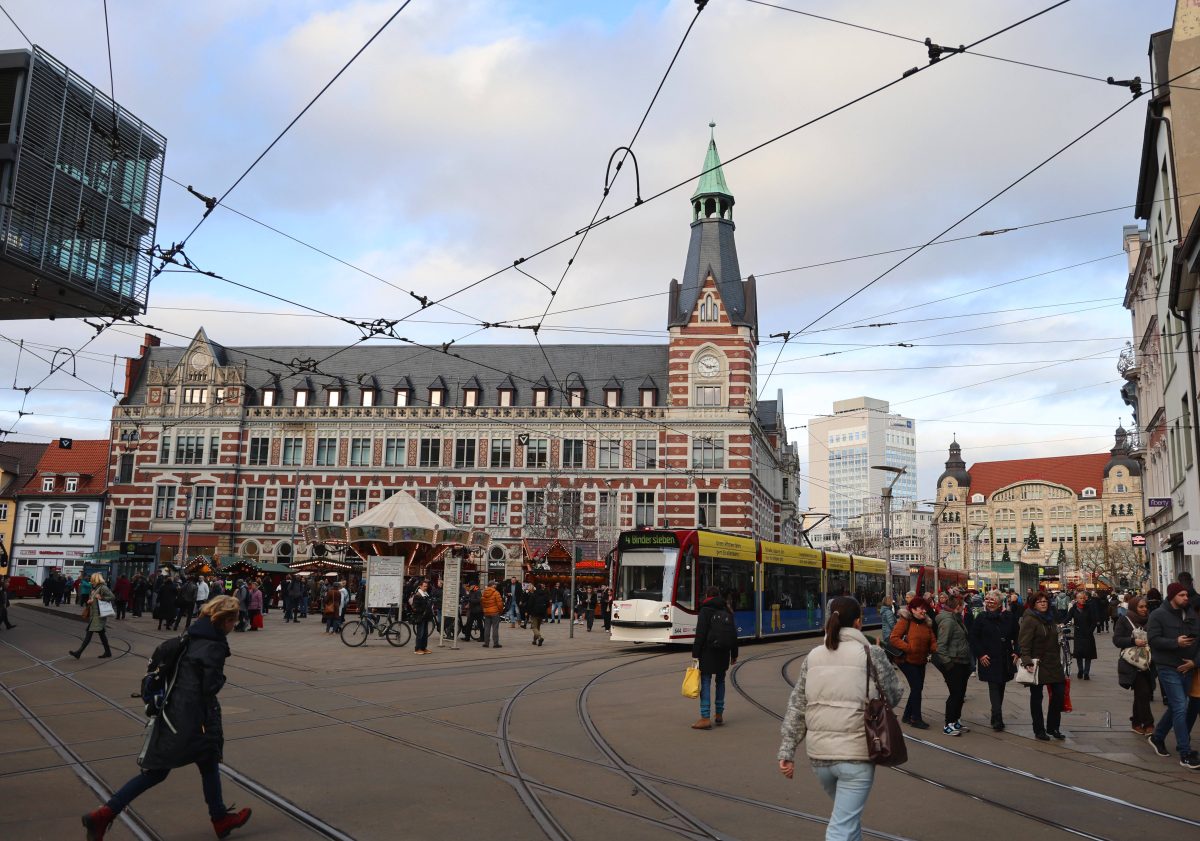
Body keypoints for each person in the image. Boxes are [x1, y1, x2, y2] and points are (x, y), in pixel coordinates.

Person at [81, 596, 252, 840]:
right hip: (193, 718)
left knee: (205, 763)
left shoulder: (191, 635)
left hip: (174, 712)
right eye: (234, 621)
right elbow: (209, 686)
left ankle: (220, 818)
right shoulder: (214, 646)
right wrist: (221, 679)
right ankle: (104, 814)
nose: (234, 625)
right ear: (224, 621)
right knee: (161, 771)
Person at [778, 596, 903, 841]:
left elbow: (797, 706)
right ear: (858, 622)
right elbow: (894, 695)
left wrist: (787, 751)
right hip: (856, 755)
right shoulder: (872, 653)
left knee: (847, 819)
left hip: (820, 757)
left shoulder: (813, 656)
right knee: (841, 827)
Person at [1146, 582, 1200, 768]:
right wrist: (1175, 642)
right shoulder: (1158, 615)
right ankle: (1185, 752)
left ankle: (1158, 736)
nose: (1186, 598)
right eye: (1182, 595)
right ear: (1172, 596)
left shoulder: (1191, 613)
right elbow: (1153, 640)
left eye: (1186, 595)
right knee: (1180, 706)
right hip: (1168, 667)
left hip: (1187, 667)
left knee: (1177, 707)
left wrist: (1195, 662)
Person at [1018, 591, 1067, 741]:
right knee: (1037, 697)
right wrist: (1026, 661)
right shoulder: (1030, 619)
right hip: (1037, 663)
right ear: (1034, 604)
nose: (1044, 603)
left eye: (1045, 601)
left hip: (1053, 663)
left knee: (1059, 695)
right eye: (1040, 602)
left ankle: (1053, 727)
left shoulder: (1050, 618)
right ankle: (1039, 729)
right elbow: (1024, 643)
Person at [690, 586, 739, 730]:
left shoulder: (705, 610)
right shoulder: (727, 609)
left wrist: (695, 654)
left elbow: (700, 634)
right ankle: (719, 714)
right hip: (723, 653)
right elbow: (733, 635)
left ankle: (705, 718)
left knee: (705, 681)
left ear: (707, 595)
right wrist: (734, 654)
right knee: (720, 681)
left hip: (707, 653)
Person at [968, 590, 1018, 730]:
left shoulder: (1008, 616)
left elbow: (1017, 635)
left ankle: (995, 712)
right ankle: (997, 717)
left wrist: (1017, 652)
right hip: (989, 658)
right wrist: (980, 654)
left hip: (1005, 657)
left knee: (1001, 685)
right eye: (988, 599)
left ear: (1000, 602)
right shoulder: (981, 617)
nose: (989, 602)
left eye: (992, 600)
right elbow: (973, 637)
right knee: (994, 686)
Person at [889, 596, 937, 729]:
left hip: (920, 660)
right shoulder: (906, 621)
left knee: (918, 687)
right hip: (906, 660)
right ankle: (916, 718)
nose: (924, 611)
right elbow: (894, 638)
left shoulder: (926, 623)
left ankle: (907, 715)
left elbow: (932, 640)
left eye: (925, 609)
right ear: (913, 610)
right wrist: (908, 648)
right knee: (916, 687)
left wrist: (935, 649)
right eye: (921, 609)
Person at [1114, 595, 1157, 735]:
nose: (1144, 609)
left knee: (1142, 694)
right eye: (1141, 607)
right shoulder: (1124, 620)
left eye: (1145, 606)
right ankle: (1149, 724)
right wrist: (1133, 641)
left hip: (1149, 662)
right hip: (1132, 663)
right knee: (1143, 692)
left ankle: (1136, 722)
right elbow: (1117, 640)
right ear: (1133, 607)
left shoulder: (1151, 620)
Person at [934, 593, 972, 736]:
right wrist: (948, 663)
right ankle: (948, 724)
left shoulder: (956, 619)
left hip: (962, 661)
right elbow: (941, 646)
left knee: (960, 693)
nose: (963, 608)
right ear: (957, 607)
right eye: (962, 606)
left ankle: (955, 720)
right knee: (955, 693)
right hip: (953, 662)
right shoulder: (948, 621)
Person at [70, 574, 115, 659]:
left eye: (92, 579)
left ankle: (78, 652)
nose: (91, 581)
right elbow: (94, 599)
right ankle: (108, 652)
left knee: (89, 633)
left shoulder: (103, 587)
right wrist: (91, 601)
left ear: (96, 579)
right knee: (102, 634)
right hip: (94, 614)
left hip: (99, 615)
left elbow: (112, 597)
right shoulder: (94, 588)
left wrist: (101, 598)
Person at [1067, 590, 1098, 679]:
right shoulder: (1074, 608)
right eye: (1080, 598)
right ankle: (1080, 670)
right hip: (1078, 633)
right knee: (1079, 654)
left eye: (1084, 598)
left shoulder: (1090, 607)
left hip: (1088, 634)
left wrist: (1090, 631)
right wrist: (1062, 623)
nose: (1082, 600)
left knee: (1088, 654)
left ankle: (1086, 672)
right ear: (1076, 599)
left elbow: (1094, 621)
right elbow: (1068, 618)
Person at [410, 579, 434, 655]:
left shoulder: (426, 594)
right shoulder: (418, 595)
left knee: (425, 634)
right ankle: (417, 649)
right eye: (424, 586)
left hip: (425, 617)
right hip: (420, 617)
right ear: (420, 586)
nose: (425, 587)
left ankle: (423, 648)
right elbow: (415, 608)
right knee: (420, 633)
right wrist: (423, 610)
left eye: (426, 586)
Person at [481, 580, 504, 648]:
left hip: (487, 612)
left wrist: (485, 610)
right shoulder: (496, 593)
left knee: (487, 628)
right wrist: (500, 611)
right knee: (495, 628)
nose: (496, 586)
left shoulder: (484, 592)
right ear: (492, 585)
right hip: (495, 612)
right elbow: (500, 604)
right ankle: (495, 643)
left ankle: (486, 643)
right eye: (495, 585)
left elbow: (482, 603)